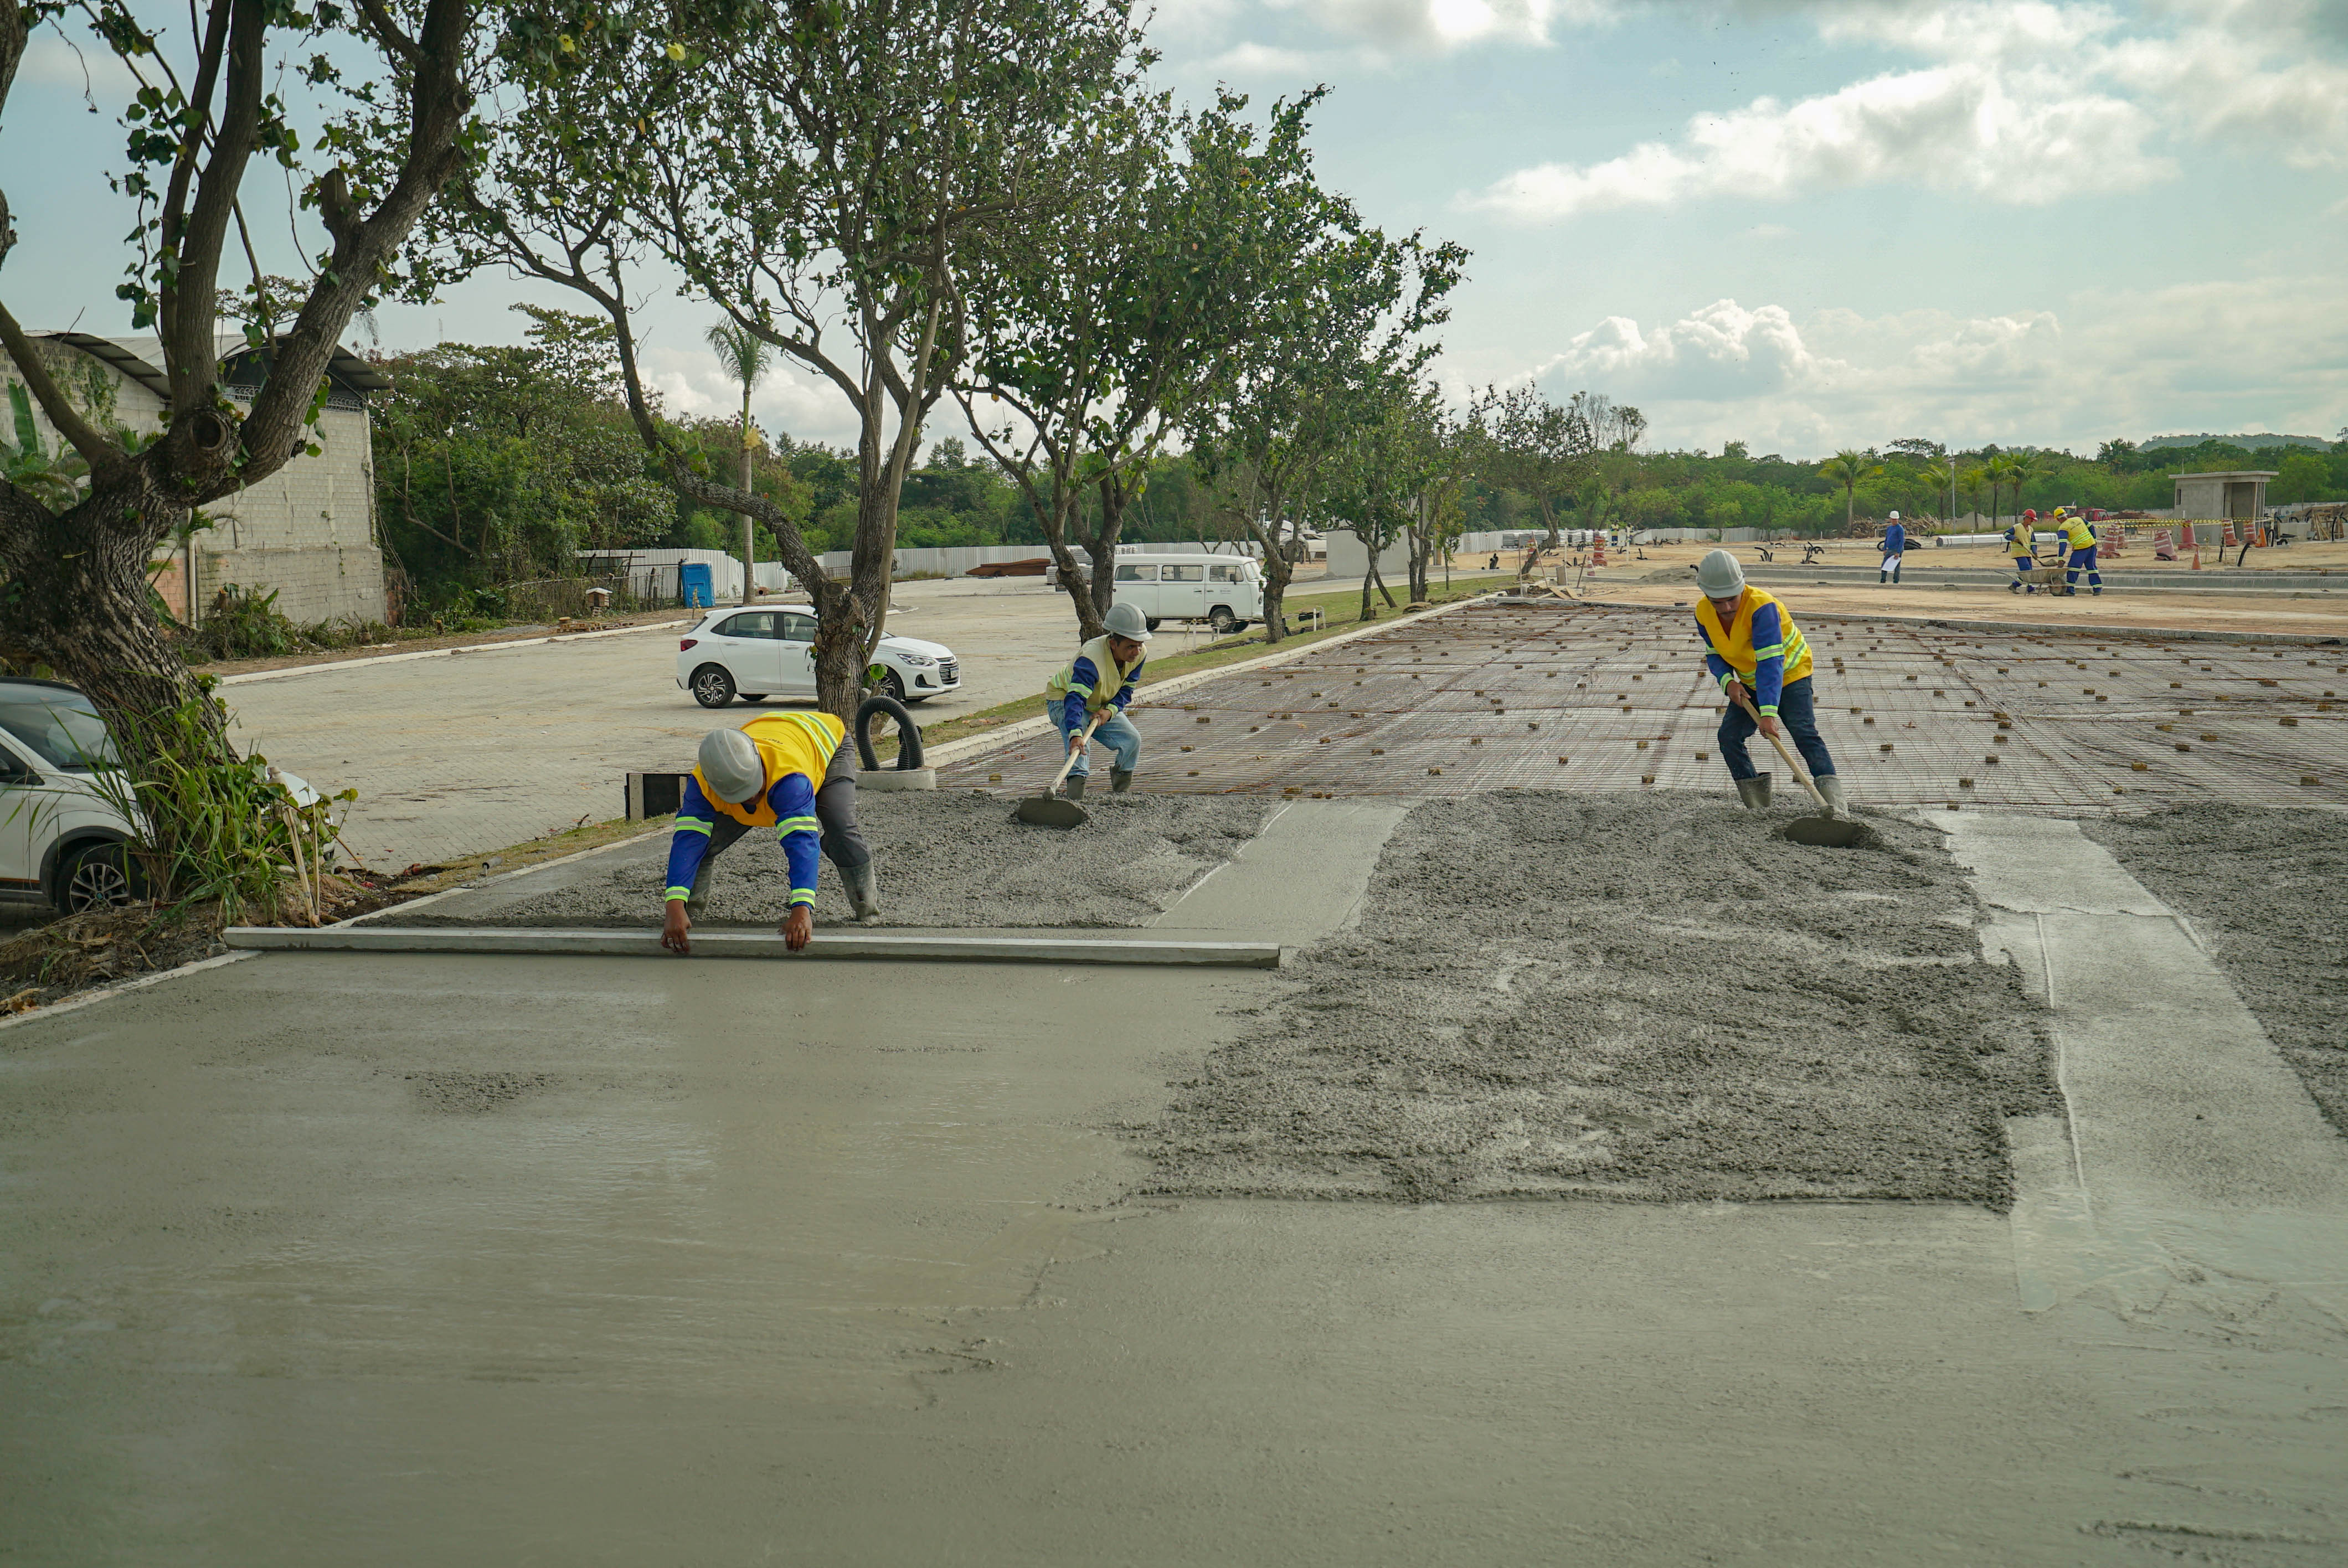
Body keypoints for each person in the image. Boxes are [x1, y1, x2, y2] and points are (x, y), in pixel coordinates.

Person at [660, 711, 879, 956]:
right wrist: (673, 905)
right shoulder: (703, 783)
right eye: (742, 797)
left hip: (825, 743)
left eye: (754, 791)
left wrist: (802, 910)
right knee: (703, 843)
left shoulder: (790, 781)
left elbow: (801, 843)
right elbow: (688, 841)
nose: (752, 800)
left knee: (841, 830)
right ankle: (688, 915)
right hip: (771, 731)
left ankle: (867, 911)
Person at [1692, 548, 1845, 816]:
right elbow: (1714, 653)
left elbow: (1771, 663)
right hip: (1751, 681)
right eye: (1718, 602)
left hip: (1790, 673)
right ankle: (1758, 807)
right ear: (1706, 594)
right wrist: (1728, 683)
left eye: (1732, 600)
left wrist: (1769, 713)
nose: (1726, 608)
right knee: (1728, 737)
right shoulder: (1703, 612)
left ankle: (1837, 808)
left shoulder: (1762, 607)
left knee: (1803, 733)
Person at [1043, 600, 1151, 798]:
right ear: (1113, 643)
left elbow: (1127, 689)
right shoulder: (1091, 659)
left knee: (1132, 740)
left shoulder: (1139, 655)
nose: (1136, 652)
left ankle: (1121, 795)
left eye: (1139, 645)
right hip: (1064, 698)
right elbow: (1075, 699)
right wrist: (1075, 733)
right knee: (1081, 748)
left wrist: (1110, 711)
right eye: (1130, 647)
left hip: (1098, 703)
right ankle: (1075, 800)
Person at [2056, 507, 2102, 595]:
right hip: (2092, 546)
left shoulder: (2063, 528)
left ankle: (2070, 590)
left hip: (2081, 548)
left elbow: (2063, 544)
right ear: (2066, 515)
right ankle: (2098, 588)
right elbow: (2091, 527)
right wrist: (2095, 539)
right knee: (2092, 568)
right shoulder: (2078, 518)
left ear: (2058, 519)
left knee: (2073, 568)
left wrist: (2060, 557)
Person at [2006, 513, 2037, 594]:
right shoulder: (2017, 527)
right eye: (2031, 519)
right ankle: (2030, 588)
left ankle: (2014, 585)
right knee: (2027, 570)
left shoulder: (2031, 529)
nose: (2032, 521)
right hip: (2019, 553)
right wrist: (2014, 538)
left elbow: (2033, 542)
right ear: (2026, 518)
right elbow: (2006, 534)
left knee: (2029, 572)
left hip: (2027, 553)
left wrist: (2035, 552)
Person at [1878, 512, 1906, 585]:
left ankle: (1896, 581)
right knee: (1884, 565)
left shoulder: (1900, 529)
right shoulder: (1889, 528)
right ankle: (1883, 579)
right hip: (1889, 549)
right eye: (1893, 519)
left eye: (1896, 519)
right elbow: (1887, 538)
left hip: (1896, 549)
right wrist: (1885, 549)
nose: (1894, 521)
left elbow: (1901, 541)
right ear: (1891, 519)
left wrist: (1898, 552)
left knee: (1896, 566)